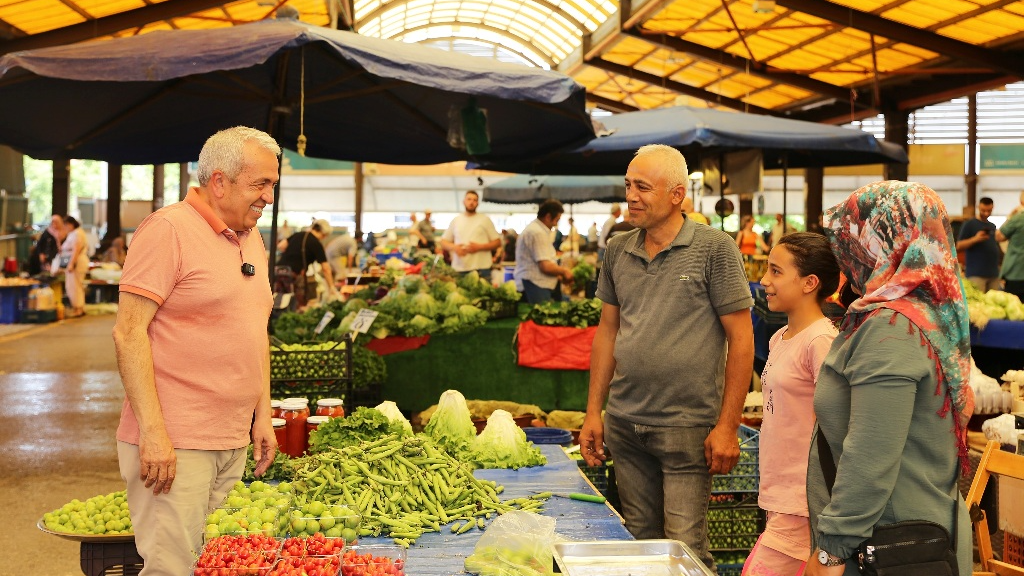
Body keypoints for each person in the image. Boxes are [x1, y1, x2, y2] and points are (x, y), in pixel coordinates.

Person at [112, 126, 279, 576]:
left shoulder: (250, 237)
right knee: (173, 568)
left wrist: (261, 414)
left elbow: (254, 331)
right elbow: (129, 333)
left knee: (216, 566)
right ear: (219, 181)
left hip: (231, 438)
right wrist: (153, 433)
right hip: (176, 443)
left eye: (272, 185)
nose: (268, 196)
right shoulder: (168, 230)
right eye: (259, 184)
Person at [579, 144, 755, 572]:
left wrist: (728, 425)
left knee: (685, 548)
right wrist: (593, 413)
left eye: (642, 187)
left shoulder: (715, 249)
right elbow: (607, 331)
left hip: (686, 427)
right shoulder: (618, 249)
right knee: (640, 543)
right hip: (625, 421)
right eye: (628, 185)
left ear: (677, 195)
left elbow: (742, 339)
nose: (631, 195)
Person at [805, 181, 973, 576]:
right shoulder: (925, 315)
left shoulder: (891, 328)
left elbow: (870, 455)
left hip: (891, 547)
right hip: (895, 536)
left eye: (854, 243)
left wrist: (831, 549)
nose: (847, 257)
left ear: (883, 242)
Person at [744, 232, 840, 576]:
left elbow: (836, 427)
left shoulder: (821, 341)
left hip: (803, 499)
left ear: (809, 283)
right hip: (778, 492)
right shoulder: (779, 338)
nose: (764, 281)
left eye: (776, 272)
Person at [514, 199, 574, 304]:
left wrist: (558, 274)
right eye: (557, 220)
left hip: (534, 283)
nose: (556, 224)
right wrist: (564, 271)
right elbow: (545, 266)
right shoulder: (537, 232)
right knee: (539, 317)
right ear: (548, 217)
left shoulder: (536, 229)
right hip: (535, 284)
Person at [276, 219, 337, 306]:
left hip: (277, 270)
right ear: (324, 234)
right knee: (293, 303)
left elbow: (281, 246)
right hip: (292, 275)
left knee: (277, 300)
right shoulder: (316, 244)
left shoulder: (298, 234)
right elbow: (326, 268)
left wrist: (291, 253)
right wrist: (331, 287)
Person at [440, 190, 501, 278]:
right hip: (459, 269)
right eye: (469, 199)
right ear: (464, 201)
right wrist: (455, 247)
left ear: (477, 203)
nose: (471, 202)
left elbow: (497, 242)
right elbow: (443, 242)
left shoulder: (485, 220)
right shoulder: (456, 220)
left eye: (474, 200)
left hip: (481, 269)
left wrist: (479, 247)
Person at [956, 197, 1001, 292]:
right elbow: (959, 246)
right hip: (976, 274)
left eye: (989, 210)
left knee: (994, 304)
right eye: (983, 210)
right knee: (978, 303)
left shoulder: (992, 226)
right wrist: (975, 239)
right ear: (978, 207)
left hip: (993, 274)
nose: (986, 213)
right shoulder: (969, 224)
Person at [59, 215, 90, 318]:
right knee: (76, 286)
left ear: (71, 224)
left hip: (77, 262)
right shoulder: (75, 233)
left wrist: (71, 264)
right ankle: (79, 308)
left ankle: (78, 308)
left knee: (74, 286)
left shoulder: (77, 233)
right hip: (77, 261)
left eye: (66, 225)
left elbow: (76, 250)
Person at [998, 205, 1024, 301]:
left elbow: (999, 236)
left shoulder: (1018, 218)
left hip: (1016, 274)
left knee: (1014, 307)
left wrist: (1010, 217)